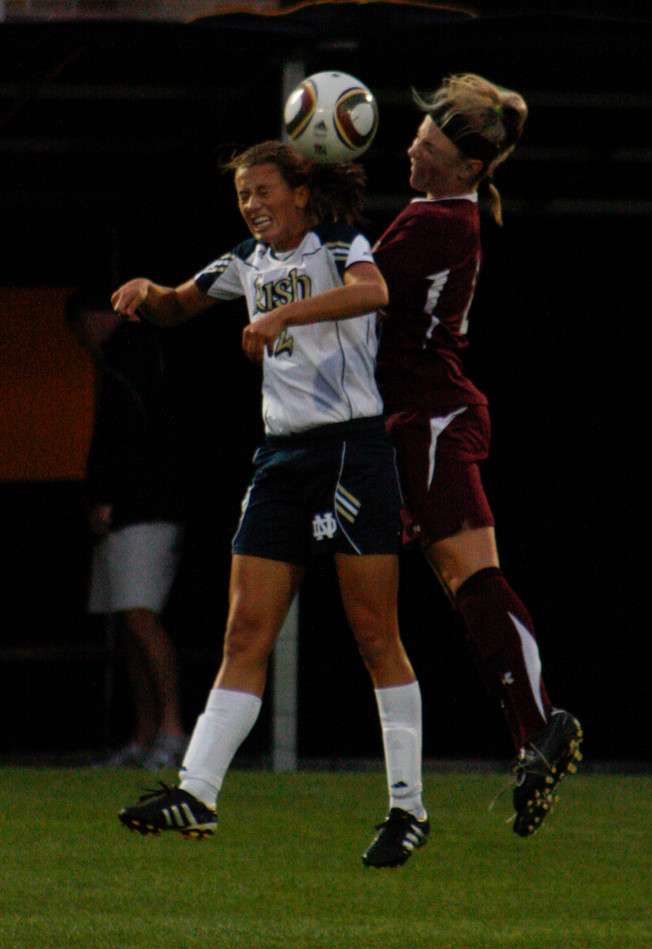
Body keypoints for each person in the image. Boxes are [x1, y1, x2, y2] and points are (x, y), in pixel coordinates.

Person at [114, 141, 429, 868]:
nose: (251, 205)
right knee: (243, 632)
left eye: (262, 191)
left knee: (373, 634)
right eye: (242, 196)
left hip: (351, 449)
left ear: (298, 192)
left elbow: (374, 292)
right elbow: (179, 303)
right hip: (282, 458)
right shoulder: (244, 263)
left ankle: (407, 807)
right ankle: (197, 789)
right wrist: (148, 292)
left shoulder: (339, 244)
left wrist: (287, 319)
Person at [371, 73, 583, 838]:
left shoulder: (436, 222)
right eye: (417, 136)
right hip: (424, 416)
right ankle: (532, 729)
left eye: (426, 144)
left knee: (471, 579)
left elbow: (360, 293)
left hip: (427, 417)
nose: (411, 149)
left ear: (466, 167)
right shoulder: (436, 213)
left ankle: (538, 724)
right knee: (466, 586)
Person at [68, 291, 189, 770]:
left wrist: (108, 496)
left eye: (81, 330)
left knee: (139, 616)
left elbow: (127, 433)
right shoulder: (127, 358)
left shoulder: (133, 355)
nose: (82, 343)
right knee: (126, 621)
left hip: (144, 509)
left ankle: (174, 732)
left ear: (93, 320)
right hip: (127, 512)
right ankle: (143, 737)